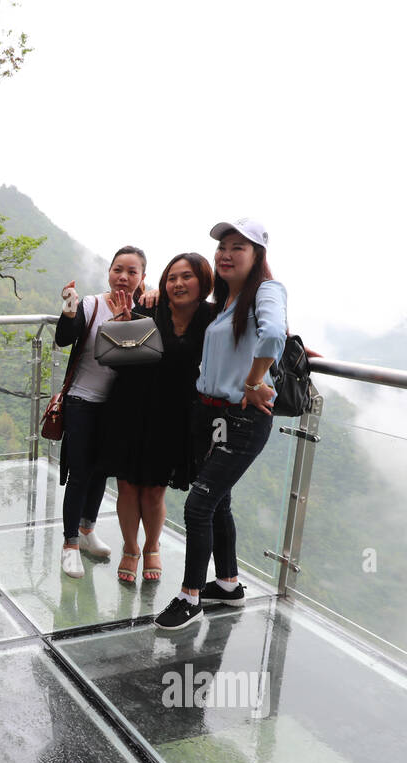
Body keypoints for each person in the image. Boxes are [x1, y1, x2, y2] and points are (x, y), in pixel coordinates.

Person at [155, 218, 286, 630]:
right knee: (219, 502)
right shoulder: (229, 300)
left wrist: (252, 381)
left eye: (237, 247)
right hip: (211, 414)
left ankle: (189, 596)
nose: (226, 254)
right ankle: (228, 585)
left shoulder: (266, 290)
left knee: (199, 504)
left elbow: (274, 334)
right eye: (222, 247)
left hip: (243, 417)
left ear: (257, 255)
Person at [102, 253, 216, 584]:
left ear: (203, 282)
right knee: (126, 485)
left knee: (154, 490)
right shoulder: (149, 309)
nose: (178, 284)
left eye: (187, 277)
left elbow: (251, 329)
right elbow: (119, 358)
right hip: (129, 406)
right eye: (172, 278)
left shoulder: (213, 317)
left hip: (175, 415)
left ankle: (152, 546)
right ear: (163, 283)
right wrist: (123, 325)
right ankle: (130, 547)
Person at [55, 246, 147, 578]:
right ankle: (69, 545)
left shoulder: (143, 315)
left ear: (142, 278)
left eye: (132, 272)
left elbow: (136, 365)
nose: (124, 277)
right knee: (80, 474)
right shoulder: (91, 305)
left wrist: (127, 324)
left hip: (116, 408)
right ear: (108, 271)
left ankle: (86, 530)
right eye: (118, 269)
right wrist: (69, 305)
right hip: (82, 400)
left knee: (101, 471)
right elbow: (63, 339)